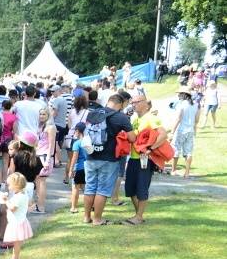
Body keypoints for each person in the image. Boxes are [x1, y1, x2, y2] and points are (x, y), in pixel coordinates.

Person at [83, 92, 135, 226]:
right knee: (103, 189)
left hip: (90, 155)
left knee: (90, 187)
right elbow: (132, 138)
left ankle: (86, 217)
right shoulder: (120, 117)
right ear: (120, 104)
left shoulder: (93, 112)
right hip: (109, 157)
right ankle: (97, 219)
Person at [123, 95, 167, 225]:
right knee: (130, 188)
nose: (133, 104)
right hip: (133, 157)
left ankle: (138, 216)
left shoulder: (151, 118)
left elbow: (163, 134)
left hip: (145, 159)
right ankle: (139, 215)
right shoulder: (135, 118)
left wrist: (151, 149)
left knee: (142, 188)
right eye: (132, 102)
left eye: (136, 102)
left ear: (145, 103)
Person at [0, 172, 33, 259]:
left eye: (9, 185)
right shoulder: (22, 194)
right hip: (19, 222)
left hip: (17, 223)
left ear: (16, 185)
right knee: (16, 243)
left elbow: (13, 208)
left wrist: (6, 201)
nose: (8, 186)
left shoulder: (19, 196)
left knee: (16, 244)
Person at [171, 87, 200, 178]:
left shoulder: (181, 104)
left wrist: (172, 132)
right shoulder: (196, 105)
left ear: (184, 95)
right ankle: (187, 173)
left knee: (176, 149)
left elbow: (178, 118)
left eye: (180, 94)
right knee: (188, 152)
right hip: (190, 130)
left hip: (181, 130)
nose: (178, 95)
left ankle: (173, 170)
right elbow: (197, 120)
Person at [34, 107, 57, 213]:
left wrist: (48, 159)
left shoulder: (51, 127)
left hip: (45, 156)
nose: (42, 116)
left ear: (48, 116)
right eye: (40, 114)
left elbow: (52, 144)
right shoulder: (40, 126)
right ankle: (38, 205)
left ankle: (41, 207)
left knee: (42, 181)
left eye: (44, 114)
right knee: (38, 181)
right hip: (38, 155)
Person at [67, 123, 88, 213]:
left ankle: (73, 207)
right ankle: (92, 206)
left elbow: (74, 158)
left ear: (78, 131)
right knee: (86, 188)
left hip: (79, 168)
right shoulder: (88, 141)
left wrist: (71, 169)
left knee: (75, 188)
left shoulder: (77, 143)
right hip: (88, 167)